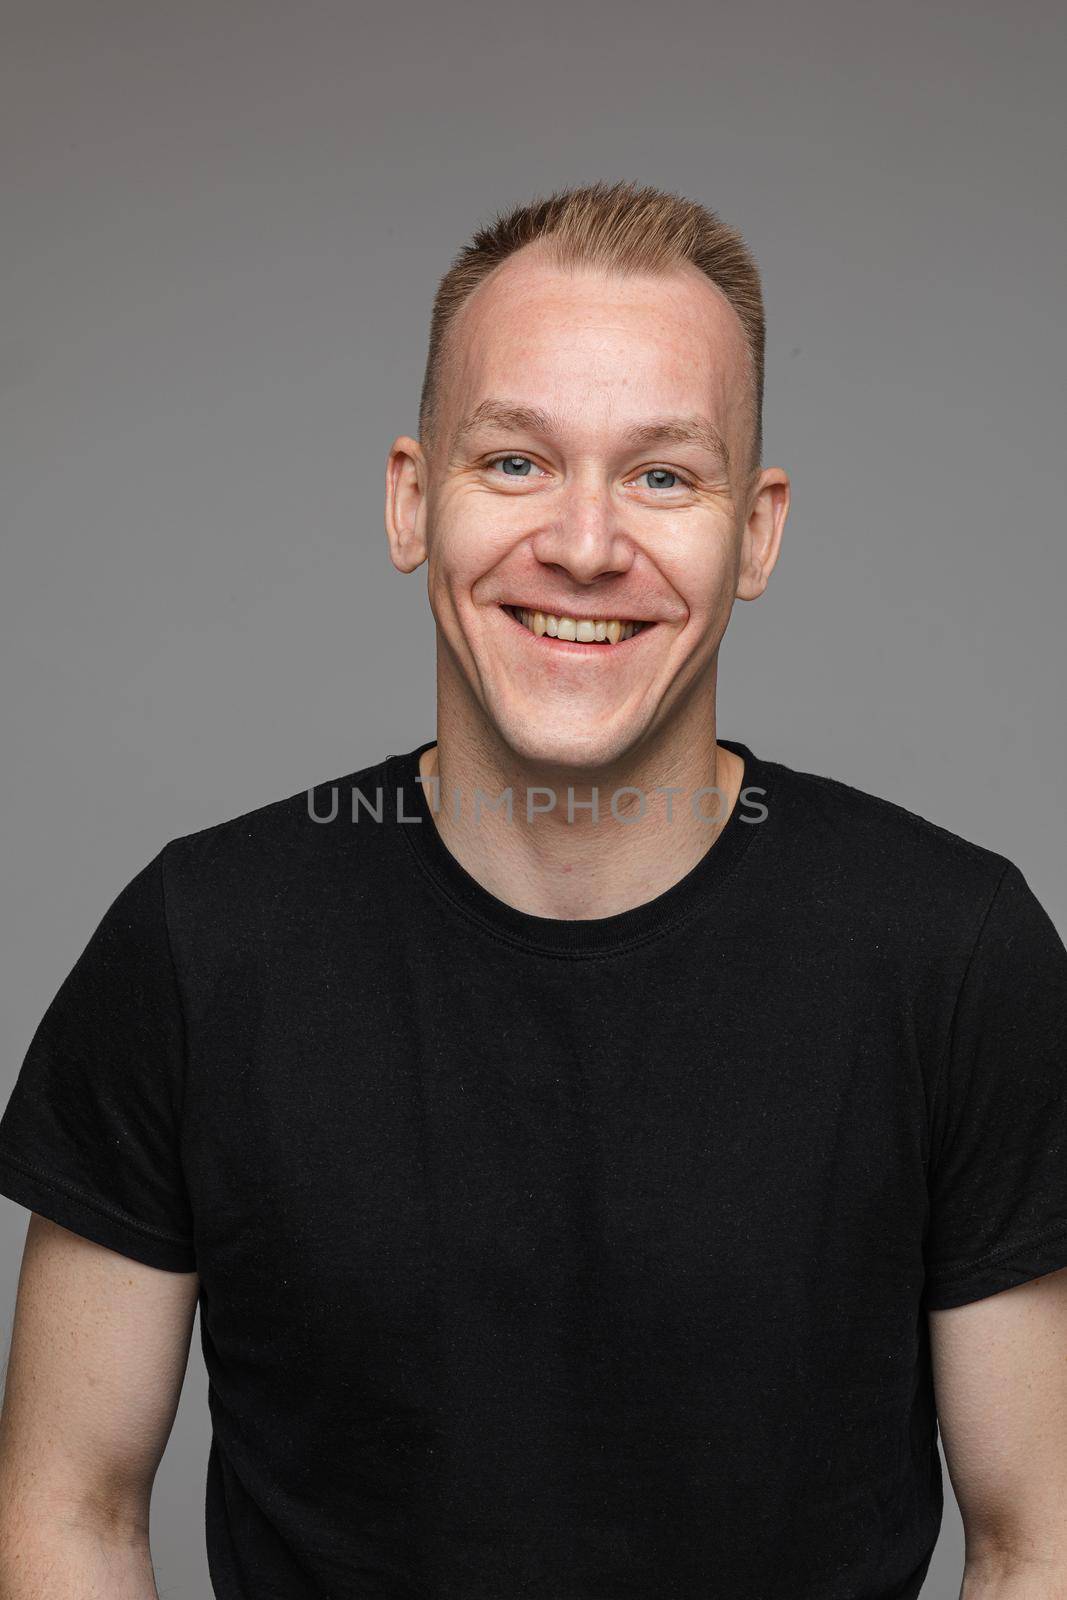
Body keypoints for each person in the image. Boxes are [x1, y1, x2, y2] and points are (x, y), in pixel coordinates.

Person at [0, 179, 1065, 1600]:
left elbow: (1038, 1539)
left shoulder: (956, 956)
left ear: (755, 532)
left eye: (663, 475)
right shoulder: (201, 947)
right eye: (514, 462)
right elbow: (64, 1510)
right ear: (409, 495)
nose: (581, 543)